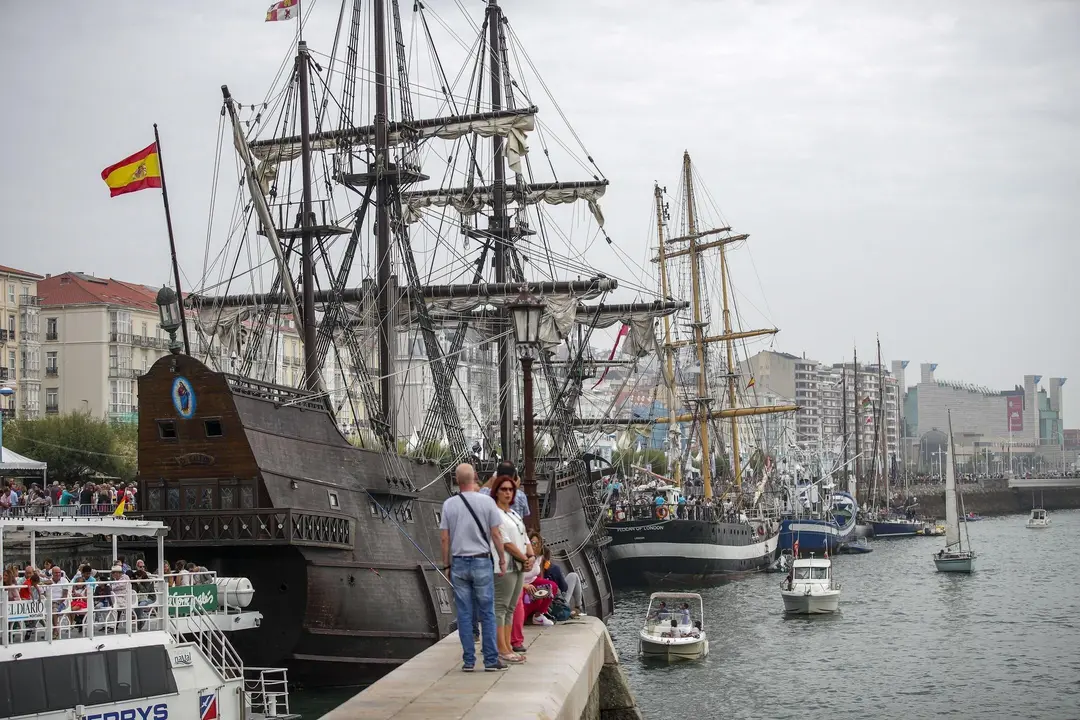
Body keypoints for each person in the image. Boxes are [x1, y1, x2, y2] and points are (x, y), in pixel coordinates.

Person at [440, 463, 508, 672]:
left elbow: (444, 538)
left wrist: (446, 564)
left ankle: (469, 661)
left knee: (464, 613)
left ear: (456, 480)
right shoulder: (487, 502)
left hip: (459, 562)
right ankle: (490, 660)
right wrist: (502, 559)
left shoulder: (449, 504)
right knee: (487, 612)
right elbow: (496, 534)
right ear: (475, 477)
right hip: (481, 561)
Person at [492, 474, 532, 664]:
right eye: (504, 489)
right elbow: (505, 542)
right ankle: (501, 648)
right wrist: (524, 558)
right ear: (496, 492)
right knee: (501, 607)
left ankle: (508, 646)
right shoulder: (495, 515)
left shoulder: (514, 514)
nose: (507, 493)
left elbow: (524, 537)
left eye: (510, 489)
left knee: (511, 607)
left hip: (519, 565)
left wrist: (530, 556)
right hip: (505, 565)